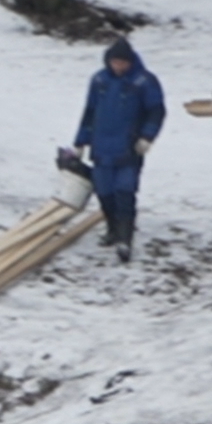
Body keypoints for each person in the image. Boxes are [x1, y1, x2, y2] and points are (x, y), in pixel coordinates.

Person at [75, 38, 165, 263]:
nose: (119, 67)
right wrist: (81, 140)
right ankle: (112, 229)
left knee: (124, 190)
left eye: (123, 62)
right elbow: (90, 111)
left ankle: (125, 238)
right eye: (115, 62)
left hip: (128, 147)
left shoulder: (144, 81)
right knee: (104, 190)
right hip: (101, 145)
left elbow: (156, 111)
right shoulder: (99, 80)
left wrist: (147, 137)